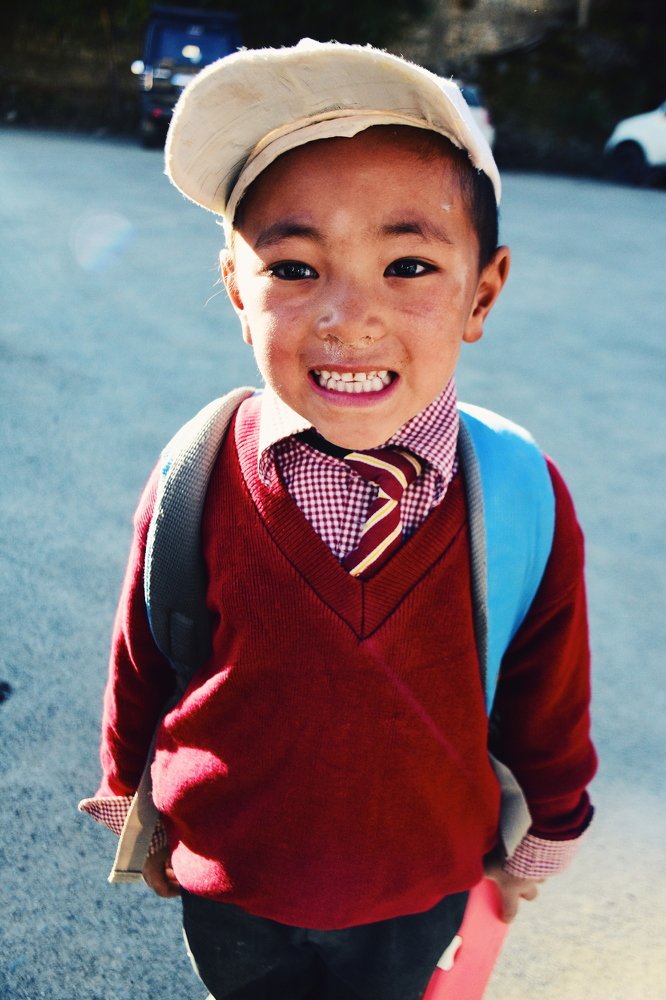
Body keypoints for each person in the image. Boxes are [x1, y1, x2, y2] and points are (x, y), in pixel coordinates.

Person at [80, 39, 597, 1000]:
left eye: (408, 264)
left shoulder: (519, 489)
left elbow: (546, 686)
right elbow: (142, 653)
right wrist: (129, 796)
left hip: (419, 890)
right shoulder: (196, 470)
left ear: (482, 291)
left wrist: (551, 827)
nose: (349, 317)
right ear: (238, 288)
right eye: (294, 267)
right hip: (234, 885)